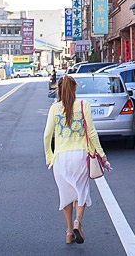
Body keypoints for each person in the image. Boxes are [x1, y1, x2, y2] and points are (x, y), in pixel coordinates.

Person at [43, 74, 109, 245]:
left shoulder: (54, 108)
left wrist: (49, 157)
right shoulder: (83, 105)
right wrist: (102, 155)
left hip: (61, 158)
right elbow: (92, 133)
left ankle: (68, 232)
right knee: (81, 192)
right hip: (80, 156)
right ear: (74, 89)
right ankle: (77, 222)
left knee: (65, 196)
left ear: (59, 89)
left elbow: (46, 135)